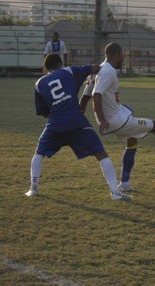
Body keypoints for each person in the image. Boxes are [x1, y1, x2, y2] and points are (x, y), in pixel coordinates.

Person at [80, 42, 155, 192]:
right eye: (123, 56)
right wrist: (102, 120)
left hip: (114, 119)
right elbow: (96, 95)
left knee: (132, 142)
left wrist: (79, 118)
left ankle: (125, 184)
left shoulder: (97, 71)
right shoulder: (108, 71)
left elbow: (84, 98)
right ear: (119, 54)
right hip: (115, 121)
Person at [25, 53, 131, 202]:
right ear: (60, 64)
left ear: (45, 69)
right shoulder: (68, 71)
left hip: (55, 124)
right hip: (77, 122)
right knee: (101, 154)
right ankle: (115, 192)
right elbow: (95, 68)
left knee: (39, 153)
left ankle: (33, 188)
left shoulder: (39, 84)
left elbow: (44, 113)